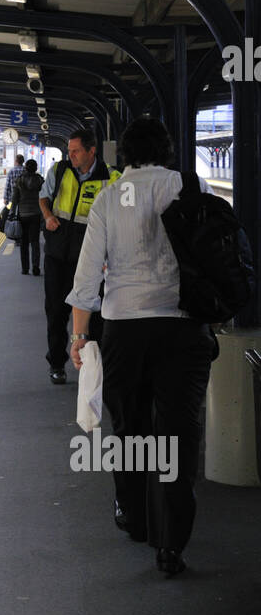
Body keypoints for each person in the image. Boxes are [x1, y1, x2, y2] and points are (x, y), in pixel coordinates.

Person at [67, 117, 218, 577]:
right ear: (168, 151)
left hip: (125, 330)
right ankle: (171, 543)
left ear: (122, 155)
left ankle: (133, 515)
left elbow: (87, 277)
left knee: (130, 426)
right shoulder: (192, 186)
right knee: (178, 431)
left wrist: (78, 336)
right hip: (182, 327)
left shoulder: (110, 198)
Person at [39, 129, 121, 384]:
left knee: (94, 314)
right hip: (57, 255)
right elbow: (43, 197)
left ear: (91, 151)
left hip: (91, 258)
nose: (70, 155)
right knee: (56, 312)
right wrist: (49, 216)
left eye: (75, 151)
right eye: (69, 151)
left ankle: (91, 363)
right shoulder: (60, 171)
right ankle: (56, 363)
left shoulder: (112, 178)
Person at [11, 158, 43, 275]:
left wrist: (11, 213)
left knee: (24, 242)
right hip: (36, 213)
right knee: (35, 242)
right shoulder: (40, 180)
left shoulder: (19, 181)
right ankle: (36, 267)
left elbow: (14, 199)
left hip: (23, 215)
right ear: (35, 168)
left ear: (25, 168)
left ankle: (25, 268)